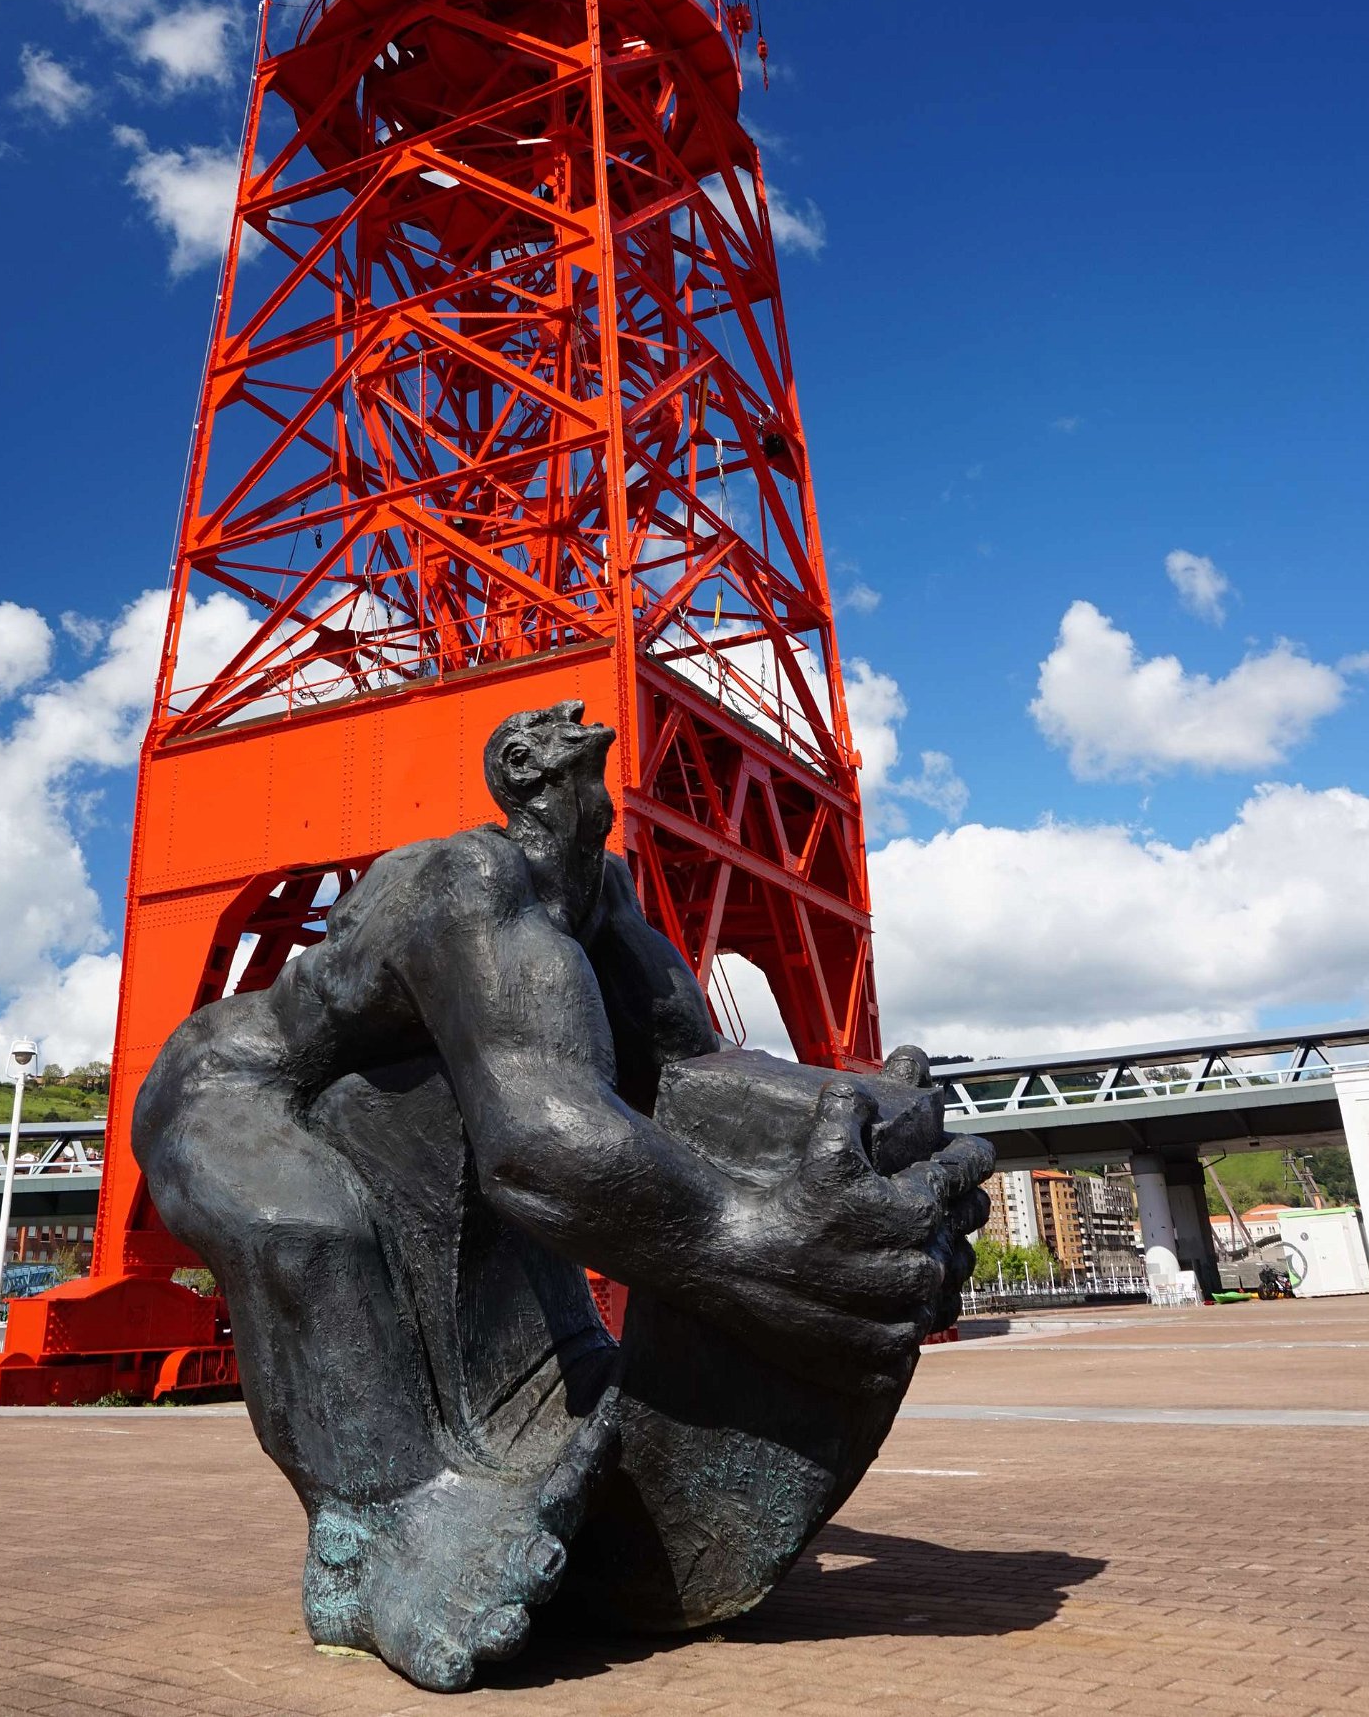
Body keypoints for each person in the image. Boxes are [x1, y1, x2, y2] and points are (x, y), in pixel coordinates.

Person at [137, 700, 989, 1691]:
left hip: (421, 1093)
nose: (574, 717)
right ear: (517, 773)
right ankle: (375, 1540)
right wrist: (755, 1244)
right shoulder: (465, 881)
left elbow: (694, 1070)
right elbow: (536, 1147)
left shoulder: (602, 899)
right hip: (223, 1089)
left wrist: (860, 1112)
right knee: (307, 1227)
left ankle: (540, 1463)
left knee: (539, 1125)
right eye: (545, 727)